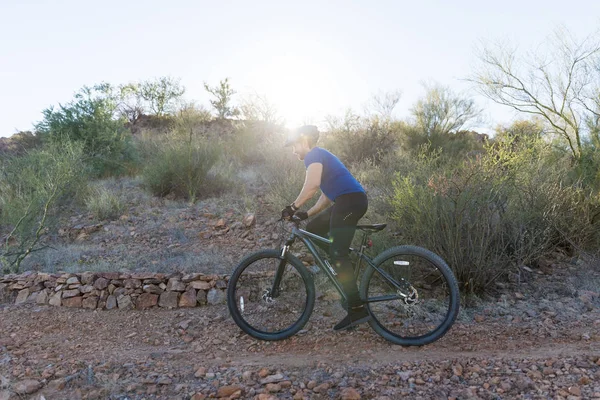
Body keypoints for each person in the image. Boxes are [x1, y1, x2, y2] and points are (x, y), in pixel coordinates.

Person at [281, 125, 370, 331]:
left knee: (338, 253)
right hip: (345, 202)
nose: (294, 151)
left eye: (294, 145)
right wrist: (306, 214)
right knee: (312, 228)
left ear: (304, 141)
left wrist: (293, 207)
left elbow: (311, 186)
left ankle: (357, 308)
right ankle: (341, 260)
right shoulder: (320, 157)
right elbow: (326, 196)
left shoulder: (314, 155)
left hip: (351, 203)